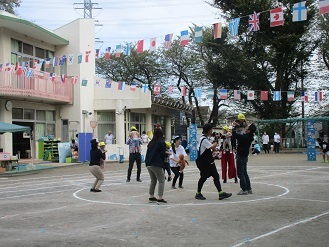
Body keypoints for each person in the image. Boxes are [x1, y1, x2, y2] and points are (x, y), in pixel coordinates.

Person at [195, 123, 232, 200]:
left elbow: (212, 149)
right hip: (204, 162)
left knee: (216, 176)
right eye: (211, 129)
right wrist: (217, 139)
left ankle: (220, 193)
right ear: (208, 130)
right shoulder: (203, 139)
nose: (212, 131)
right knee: (204, 177)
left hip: (209, 161)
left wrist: (216, 141)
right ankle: (198, 193)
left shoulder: (205, 138)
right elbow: (212, 147)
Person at [232, 123, 257, 195]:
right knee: (245, 173)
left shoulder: (246, 137)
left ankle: (244, 189)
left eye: (247, 128)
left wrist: (235, 127)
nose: (246, 129)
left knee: (240, 173)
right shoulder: (249, 137)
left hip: (241, 156)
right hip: (245, 156)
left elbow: (236, 135)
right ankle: (248, 188)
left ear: (249, 131)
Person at [145, 128, 167, 204]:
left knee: (153, 181)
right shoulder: (161, 142)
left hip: (149, 163)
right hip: (156, 163)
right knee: (161, 180)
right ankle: (160, 198)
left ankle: (151, 196)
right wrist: (167, 154)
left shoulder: (151, 142)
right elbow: (162, 154)